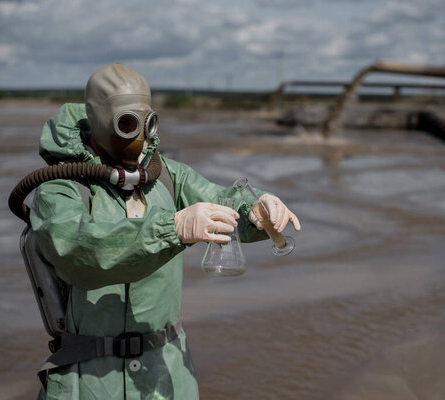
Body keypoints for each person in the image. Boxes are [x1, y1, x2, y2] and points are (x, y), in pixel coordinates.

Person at [30, 63, 300, 399]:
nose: (138, 136)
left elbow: (223, 201)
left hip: (164, 377)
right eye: (126, 124)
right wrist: (172, 229)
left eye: (145, 123)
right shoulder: (63, 188)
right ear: (98, 121)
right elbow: (78, 252)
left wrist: (258, 208)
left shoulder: (168, 177)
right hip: (90, 382)